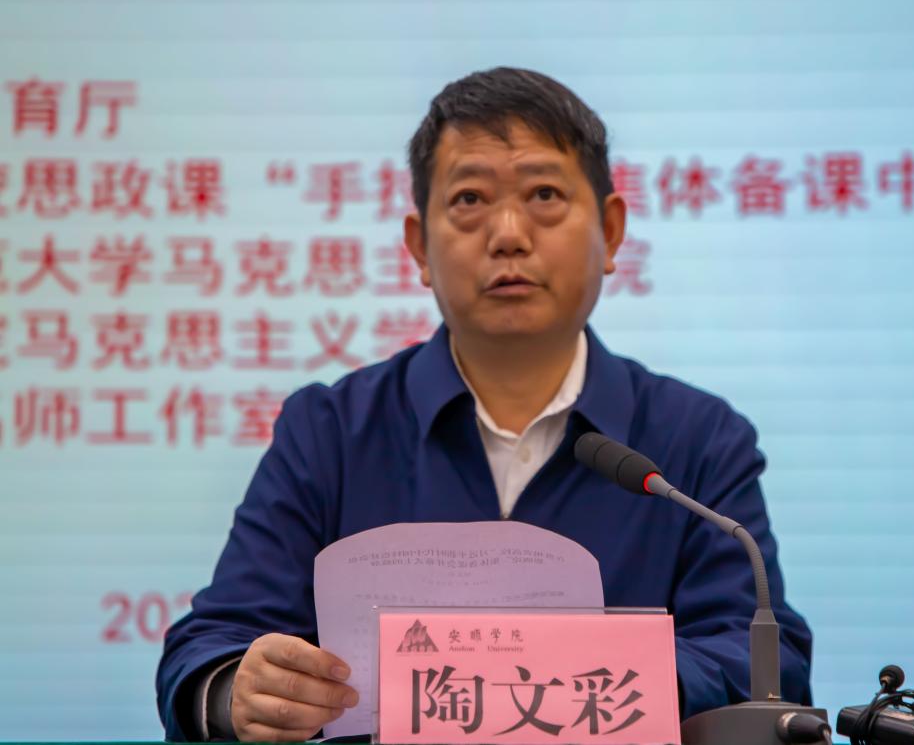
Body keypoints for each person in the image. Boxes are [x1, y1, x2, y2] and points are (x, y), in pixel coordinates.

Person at [157, 66, 813, 742]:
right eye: (470, 198)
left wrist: (620, 685)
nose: (508, 234)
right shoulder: (329, 432)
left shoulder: (697, 439)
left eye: (544, 195)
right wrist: (239, 689)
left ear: (612, 232)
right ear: (419, 246)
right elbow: (210, 646)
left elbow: (767, 661)